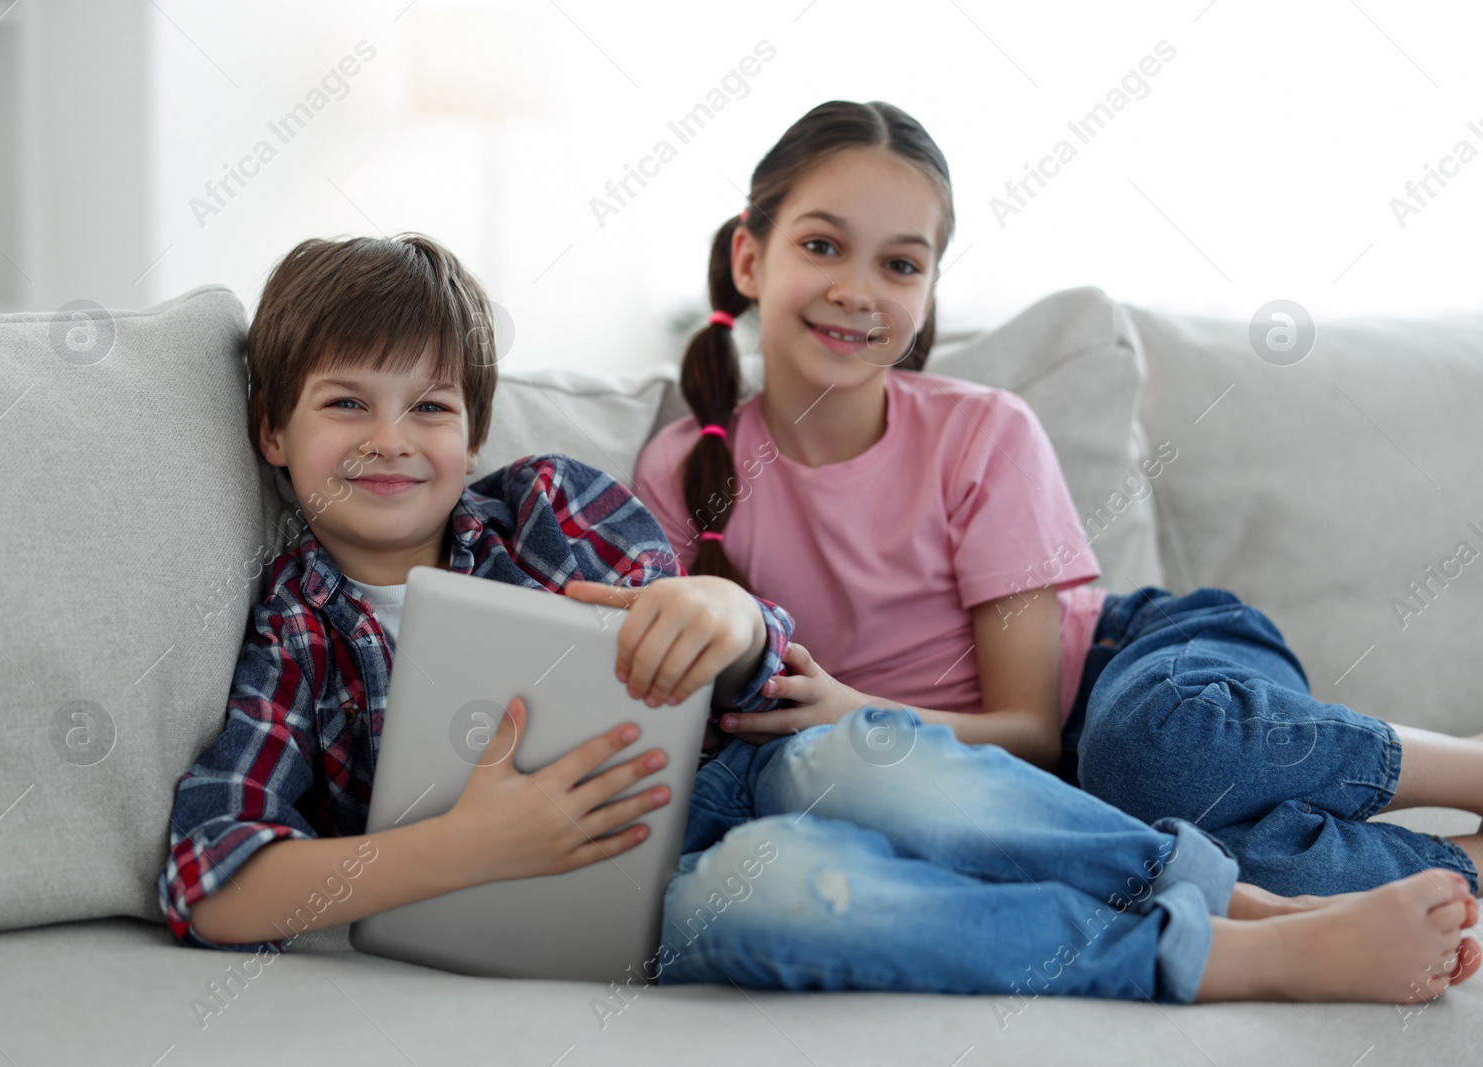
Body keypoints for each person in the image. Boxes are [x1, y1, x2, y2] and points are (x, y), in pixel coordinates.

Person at [630, 98, 1479, 1001]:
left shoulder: (978, 433)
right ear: (751, 257)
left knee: (1149, 752)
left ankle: (1468, 765)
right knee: (1203, 844)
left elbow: (1033, 732)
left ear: (926, 297)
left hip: (1130, 681)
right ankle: (1460, 867)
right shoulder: (682, 471)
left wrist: (849, 709)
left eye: (901, 263)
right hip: (1030, 802)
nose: (858, 289)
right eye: (823, 246)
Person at [156, 232, 792, 951]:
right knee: (800, 902)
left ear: (475, 430)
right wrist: (464, 845)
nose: (390, 439)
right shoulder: (296, 631)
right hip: (651, 905)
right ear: (272, 430)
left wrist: (730, 615)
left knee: (869, 784)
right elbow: (208, 881)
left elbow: (756, 690)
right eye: (346, 402)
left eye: (429, 407)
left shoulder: (548, 512)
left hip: (729, 795)